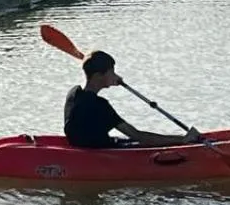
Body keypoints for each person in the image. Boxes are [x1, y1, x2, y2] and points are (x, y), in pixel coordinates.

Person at [63, 50, 203, 150]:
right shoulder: (99, 105)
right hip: (100, 151)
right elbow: (138, 136)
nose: (115, 75)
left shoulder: (74, 92)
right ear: (99, 76)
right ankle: (185, 140)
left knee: (128, 141)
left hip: (82, 145)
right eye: (112, 72)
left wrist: (111, 79)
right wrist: (182, 140)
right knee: (141, 141)